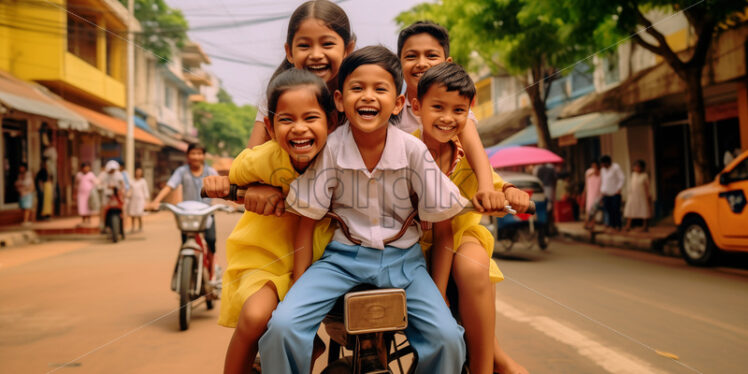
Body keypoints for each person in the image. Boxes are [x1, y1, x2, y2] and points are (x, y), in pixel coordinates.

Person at [259, 46, 467, 374]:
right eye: (357, 88)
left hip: (405, 265)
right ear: (340, 100)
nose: (368, 97)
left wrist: (440, 293)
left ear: (398, 102)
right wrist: (297, 288)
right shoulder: (330, 149)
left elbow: (444, 226)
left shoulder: (414, 151)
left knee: (448, 338)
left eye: (380, 89)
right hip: (340, 261)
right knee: (283, 326)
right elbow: (307, 221)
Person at [203, 69, 337, 374]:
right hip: (267, 255)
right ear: (270, 126)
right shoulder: (263, 158)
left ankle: (303, 348)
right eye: (286, 120)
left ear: (332, 121)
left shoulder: (340, 157)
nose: (299, 129)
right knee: (254, 317)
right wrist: (226, 184)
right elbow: (234, 179)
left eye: (310, 118)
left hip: (323, 259)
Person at [411, 62, 530, 374]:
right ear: (416, 107)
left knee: (473, 265)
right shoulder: (404, 150)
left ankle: (483, 366)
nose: (448, 118)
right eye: (438, 107)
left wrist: (513, 193)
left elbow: (496, 183)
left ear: (469, 113)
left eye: (458, 110)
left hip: (459, 236)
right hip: (412, 243)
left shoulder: (467, 156)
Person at [397, 21, 502, 212]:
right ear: (400, 64)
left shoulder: (456, 112)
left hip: (447, 205)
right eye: (411, 56)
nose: (421, 63)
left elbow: (473, 147)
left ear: (447, 63)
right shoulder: (394, 109)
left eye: (431, 55)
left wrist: (487, 189)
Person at [246, 0, 355, 148]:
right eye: (304, 46)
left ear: (348, 49)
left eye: (327, 44)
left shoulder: (357, 96)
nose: (316, 55)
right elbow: (250, 160)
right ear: (290, 52)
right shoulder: (278, 97)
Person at [148, 143, 218, 253]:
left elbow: (222, 188)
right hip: (187, 214)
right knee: (185, 243)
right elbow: (169, 186)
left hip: (206, 213)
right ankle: (181, 267)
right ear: (188, 156)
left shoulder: (211, 172)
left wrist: (234, 202)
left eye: (199, 153)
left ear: (204, 156)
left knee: (211, 240)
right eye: (193, 153)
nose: (196, 156)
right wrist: (155, 201)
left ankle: (214, 265)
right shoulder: (181, 171)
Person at [624, 160, 652, 232]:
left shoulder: (644, 176)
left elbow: (647, 187)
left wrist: (649, 195)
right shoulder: (633, 175)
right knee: (630, 210)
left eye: (639, 167)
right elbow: (629, 185)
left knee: (644, 210)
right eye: (636, 166)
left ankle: (645, 226)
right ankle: (628, 225)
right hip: (633, 196)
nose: (637, 168)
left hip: (642, 196)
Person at [600, 155, 625, 232]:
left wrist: (619, 188)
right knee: (608, 210)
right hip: (606, 193)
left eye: (604, 164)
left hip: (615, 193)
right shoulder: (603, 170)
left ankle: (618, 225)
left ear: (608, 162)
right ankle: (612, 225)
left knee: (616, 210)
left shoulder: (616, 167)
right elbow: (603, 181)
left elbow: (622, 178)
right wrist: (602, 190)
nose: (603, 165)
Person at [127, 167, 149, 233]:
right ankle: (133, 227)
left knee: (139, 213)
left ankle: (140, 227)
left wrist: (146, 199)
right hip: (133, 199)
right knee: (132, 214)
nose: (138, 173)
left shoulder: (143, 181)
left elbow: (145, 190)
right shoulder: (132, 181)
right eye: (137, 172)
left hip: (140, 199)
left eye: (139, 172)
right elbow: (129, 189)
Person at [582, 160, 602, 230]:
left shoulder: (601, 173)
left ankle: (592, 224)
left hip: (598, 193)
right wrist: (584, 192)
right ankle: (587, 223)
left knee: (594, 210)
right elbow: (586, 182)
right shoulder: (588, 172)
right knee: (588, 209)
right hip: (590, 193)